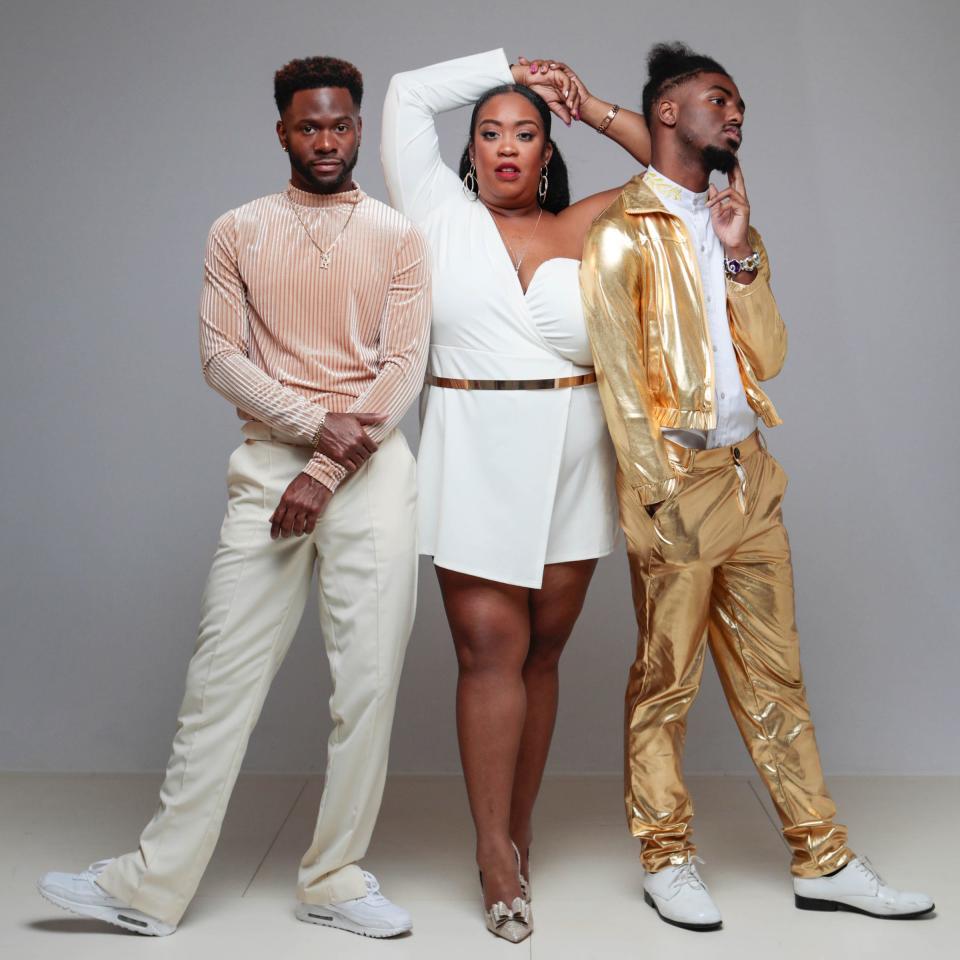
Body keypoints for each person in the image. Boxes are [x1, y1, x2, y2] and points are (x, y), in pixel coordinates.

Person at [36, 56, 430, 939]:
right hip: (266, 471)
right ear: (281, 131)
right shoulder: (237, 230)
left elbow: (402, 370)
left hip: (368, 475)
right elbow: (221, 358)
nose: (325, 141)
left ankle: (334, 878)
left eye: (339, 125)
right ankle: (149, 885)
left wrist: (324, 467)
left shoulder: (399, 236)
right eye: (307, 126)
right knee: (220, 681)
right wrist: (305, 430)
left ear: (359, 128)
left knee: (366, 686)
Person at [581, 42, 935, 931]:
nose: (735, 116)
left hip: (752, 480)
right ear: (667, 113)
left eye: (739, 105)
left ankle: (824, 858)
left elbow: (769, 355)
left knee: (779, 684)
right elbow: (622, 389)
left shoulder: (734, 220)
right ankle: (666, 856)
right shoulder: (621, 232)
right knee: (667, 684)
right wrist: (658, 500)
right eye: (718, 100)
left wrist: (740, 256)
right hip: (678, 487)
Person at [382, 50, 651, 942]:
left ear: (546, 151)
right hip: (473, 450)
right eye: (490, 133)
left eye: (526, 133)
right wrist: (506, 67)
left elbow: (685, 165)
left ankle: (519, 827)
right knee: (487, 647)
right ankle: (493, 853)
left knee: (541, 655)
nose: (506, 147)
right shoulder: (437, 215)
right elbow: (404, 94)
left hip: (576, 455)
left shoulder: (584, 224)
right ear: (468, 152)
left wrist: (596, 105)